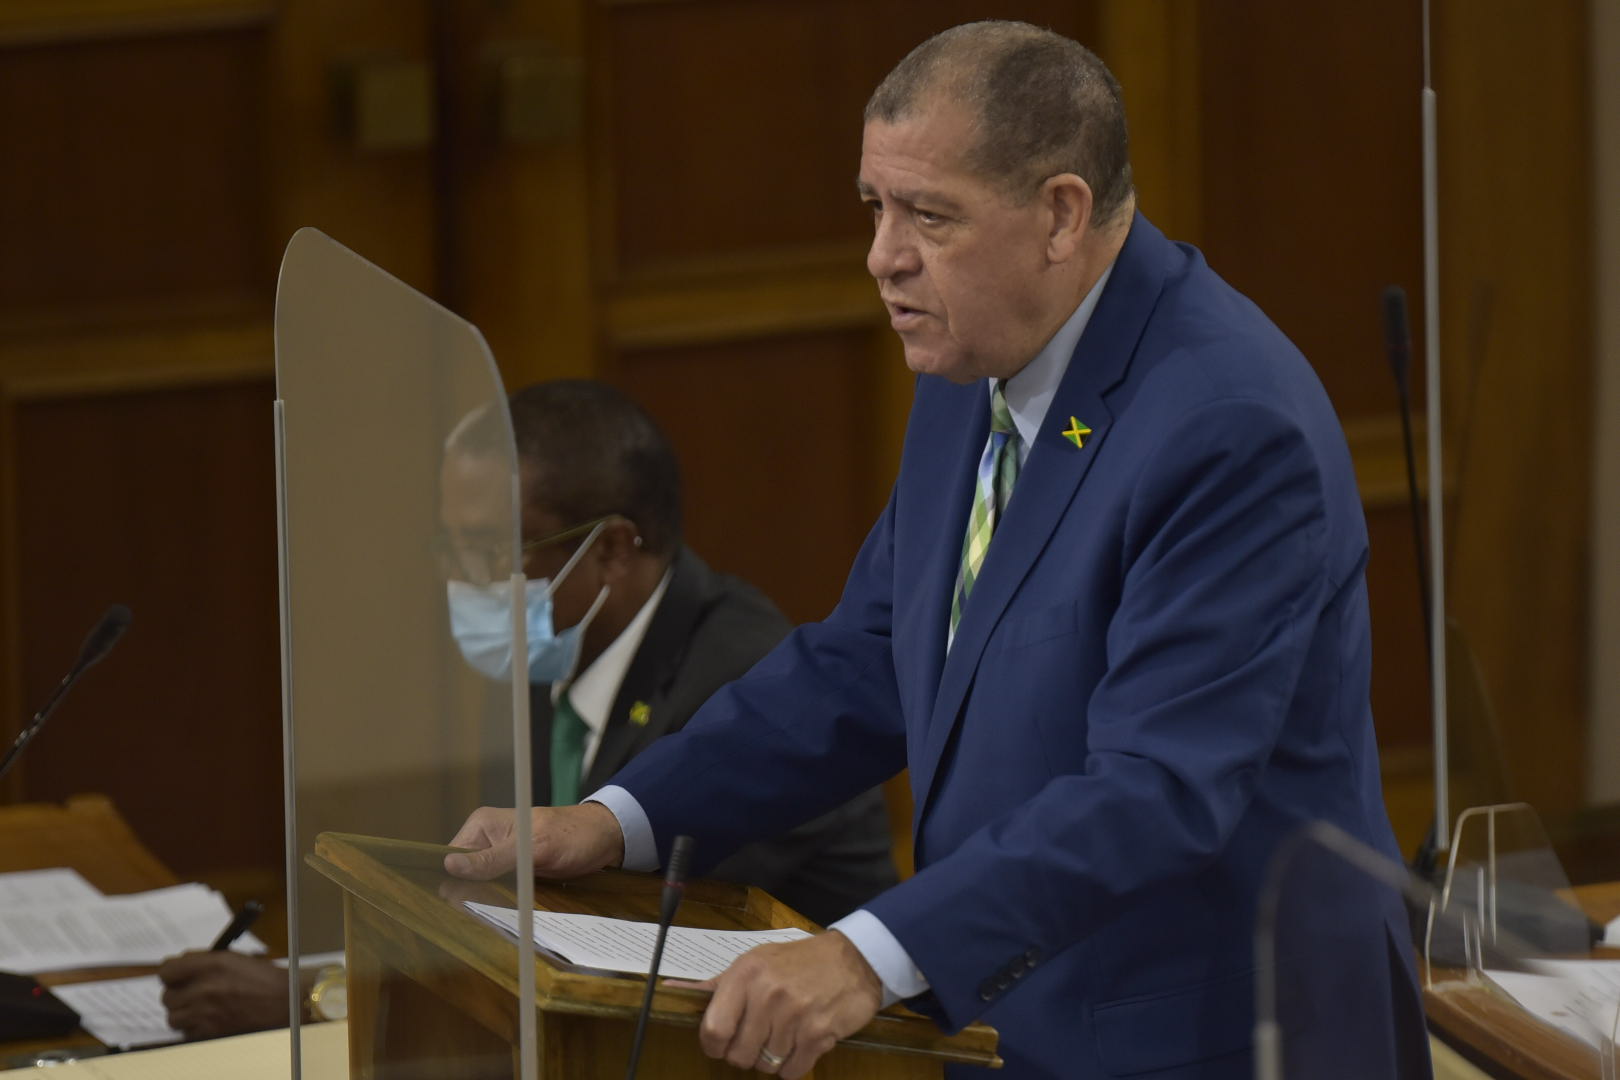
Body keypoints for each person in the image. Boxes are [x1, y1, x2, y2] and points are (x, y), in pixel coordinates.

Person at [447, 22, 1430, 1080]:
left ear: (1061, 215)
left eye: (929, 215)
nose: (884, 256)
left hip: (1212, 1036)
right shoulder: (978, 360)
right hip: (1015, 1011)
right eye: (874, 206)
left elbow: (1157, 789)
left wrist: (868, 955)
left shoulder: (1227, 426)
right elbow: (869, 659)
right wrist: (616, 821)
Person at [158, 380, 896, 1040]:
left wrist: (324, 997)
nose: (463, 582)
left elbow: (606, 942)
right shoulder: (552, 646)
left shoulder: (738, 674)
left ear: (611, 549)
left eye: (490, 552)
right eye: (451, 548)